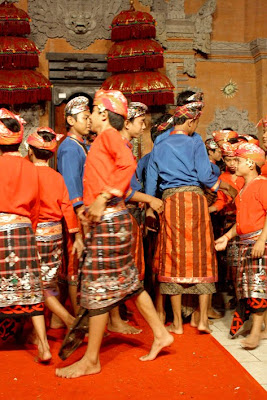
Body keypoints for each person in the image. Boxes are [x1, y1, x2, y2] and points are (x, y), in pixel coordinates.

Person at [56, 90, 173, 379]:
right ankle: (160, 333)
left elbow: (128, 165)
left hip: (109, 220)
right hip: (110, 220)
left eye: (93, 112)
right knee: (128, 282)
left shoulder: (108, 136)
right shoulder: (102, 140)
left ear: (104, 115)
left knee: (97, 289)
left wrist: (103, 196)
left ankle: (92, 359)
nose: (90, 117)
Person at [145, 92, 237, 335]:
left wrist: (150, 206)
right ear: (189, 121)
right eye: (196, 122)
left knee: (173, 258)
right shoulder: (194, 140)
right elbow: (206, 176)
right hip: (194, 201)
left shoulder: (160, 144)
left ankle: (176, 323)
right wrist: (222, 185)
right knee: (202, 256)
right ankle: (202, 321)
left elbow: (152, 179)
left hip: (170, 203)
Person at [0, 109, 51, 362]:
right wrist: (28, 232)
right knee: (33, 290)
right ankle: (43, 346)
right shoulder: (31, 169)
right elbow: (36, 208)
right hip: (22, 230)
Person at [27, 127, 84, 329]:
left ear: (30, 151)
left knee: (36, 283)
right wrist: (75, 235)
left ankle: (61, 321)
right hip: (56, 235)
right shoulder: (57, 177)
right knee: (51, 280)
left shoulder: (27, 174)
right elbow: (67, 208)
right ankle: (54, 321)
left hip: (35, 233)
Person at [215, 141, 267, 349]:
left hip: (258, 242)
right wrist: (227, 237)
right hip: (246, 242)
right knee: (249, 289)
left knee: (257, 289)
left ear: (250, 163)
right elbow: (241, 223)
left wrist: (262, 240)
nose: (234, 164)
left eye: (238, 160)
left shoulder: (262, 184)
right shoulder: (246, 187)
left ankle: (255, 332)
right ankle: (258, 328)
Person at [57, 96, 91, 316]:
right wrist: (79, 216)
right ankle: (77, 318)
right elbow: (71, 187)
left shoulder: (81, 146)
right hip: (74, 213)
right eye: (85, 118)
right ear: (71, 120)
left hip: (82, 212)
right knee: (74, 265)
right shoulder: (70, 147)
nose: (89, 122)